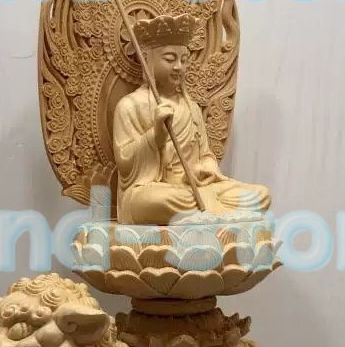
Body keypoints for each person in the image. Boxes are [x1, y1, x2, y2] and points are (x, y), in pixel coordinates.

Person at [112, 13, 271, 225]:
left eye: (184, 60)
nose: (179, 66)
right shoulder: (130, 105)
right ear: (148, 60)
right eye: (170, 59)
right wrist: (154, 137)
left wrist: (207, 167)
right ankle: (214, 212)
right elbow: (125, 164)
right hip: (156, 189)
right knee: (153, 200)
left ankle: (206, 212)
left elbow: (205, 154)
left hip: (194, 186)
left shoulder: (191, 107)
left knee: (261, 195)